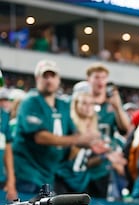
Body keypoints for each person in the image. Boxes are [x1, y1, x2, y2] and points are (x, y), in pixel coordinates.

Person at [12, 60, 104, 195]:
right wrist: (78, 140)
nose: (49, 80)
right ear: (37, 79)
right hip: (28, 172)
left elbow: (73, 135)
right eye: (45, 76)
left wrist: (91, 144)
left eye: (52, 76)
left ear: (58, 79)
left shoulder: (63, 105)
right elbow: (40, 137)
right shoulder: (30, 102)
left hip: (49, 174)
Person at [85, 63, 131, 198]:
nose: (100, 81)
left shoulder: (111, 105)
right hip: (80, 164)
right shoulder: (82, 102)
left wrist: (117, 107)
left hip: (101, 166)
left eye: (103, 78)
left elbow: (125, 129)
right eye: (97, 77)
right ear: (89, 79)